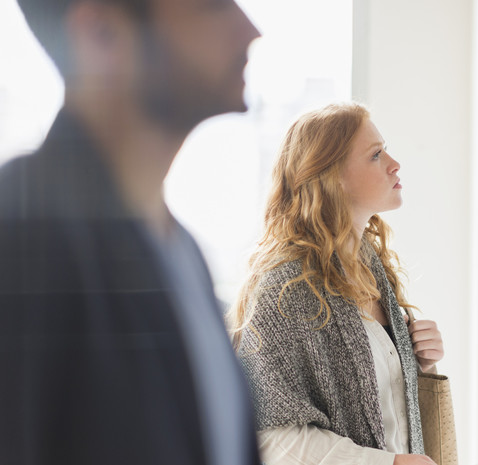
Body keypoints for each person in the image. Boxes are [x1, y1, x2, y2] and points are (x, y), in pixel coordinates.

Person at [0, 1, 262, 464]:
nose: (250, 30)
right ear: (101, 33)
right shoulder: (21, 230)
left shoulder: (183, 254)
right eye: (212, 6)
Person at [227, 102, 444, 465]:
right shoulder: (285, 290)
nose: (394, 163)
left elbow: (386, 413)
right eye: (376, 155)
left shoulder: (373, 268)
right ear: (331, 176)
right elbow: (271, 437)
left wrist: (422, 364)